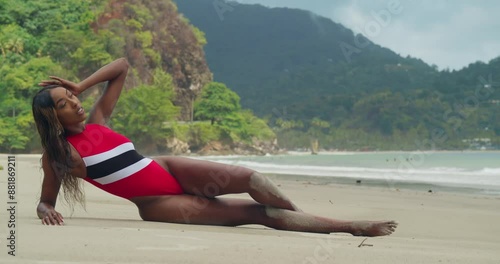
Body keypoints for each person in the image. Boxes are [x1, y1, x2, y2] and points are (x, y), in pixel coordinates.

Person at [32, 58, 398, 236]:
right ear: (53, 117)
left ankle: (303, 217)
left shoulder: (97, 122)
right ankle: (350, 226)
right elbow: (47, 197)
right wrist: (45, 208)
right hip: (160, 203)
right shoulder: (63, 155)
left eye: (72, 96)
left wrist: (80, 84)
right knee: (257, 215)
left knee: (255, 179)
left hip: (169, 168)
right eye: (64, 103)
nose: (75, 102)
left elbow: (122, 66)